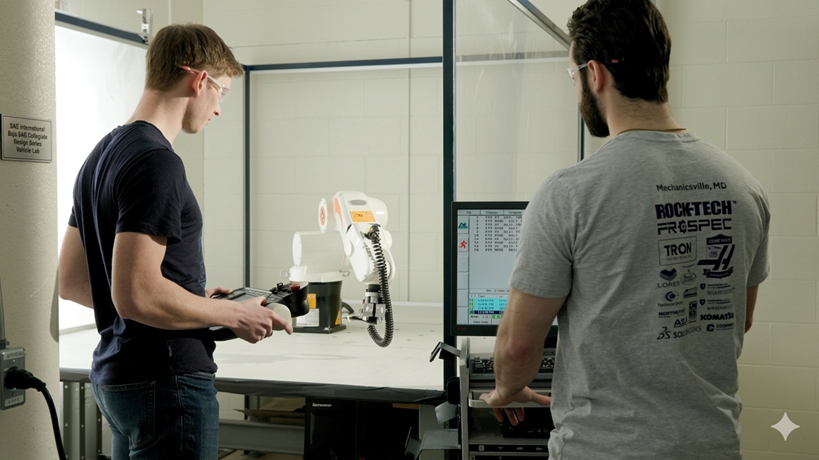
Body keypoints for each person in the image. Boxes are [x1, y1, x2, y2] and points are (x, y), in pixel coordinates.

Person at [479, 0, 770, 458]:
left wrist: (505, 390)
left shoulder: (568, 194)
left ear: (595, 74)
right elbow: (740, 319)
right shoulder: (744, 187)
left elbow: (517, 347)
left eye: (572, 75)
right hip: (713, 445)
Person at [58, 24, 292, 460]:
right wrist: (232, 313)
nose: (219, 108)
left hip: (119, 378)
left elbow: (72, 280)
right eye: (221, 91)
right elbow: (136, 294)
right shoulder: (158, 162)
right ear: (199, 80)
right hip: (167, 380)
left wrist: (191, 300)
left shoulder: (99, 157)